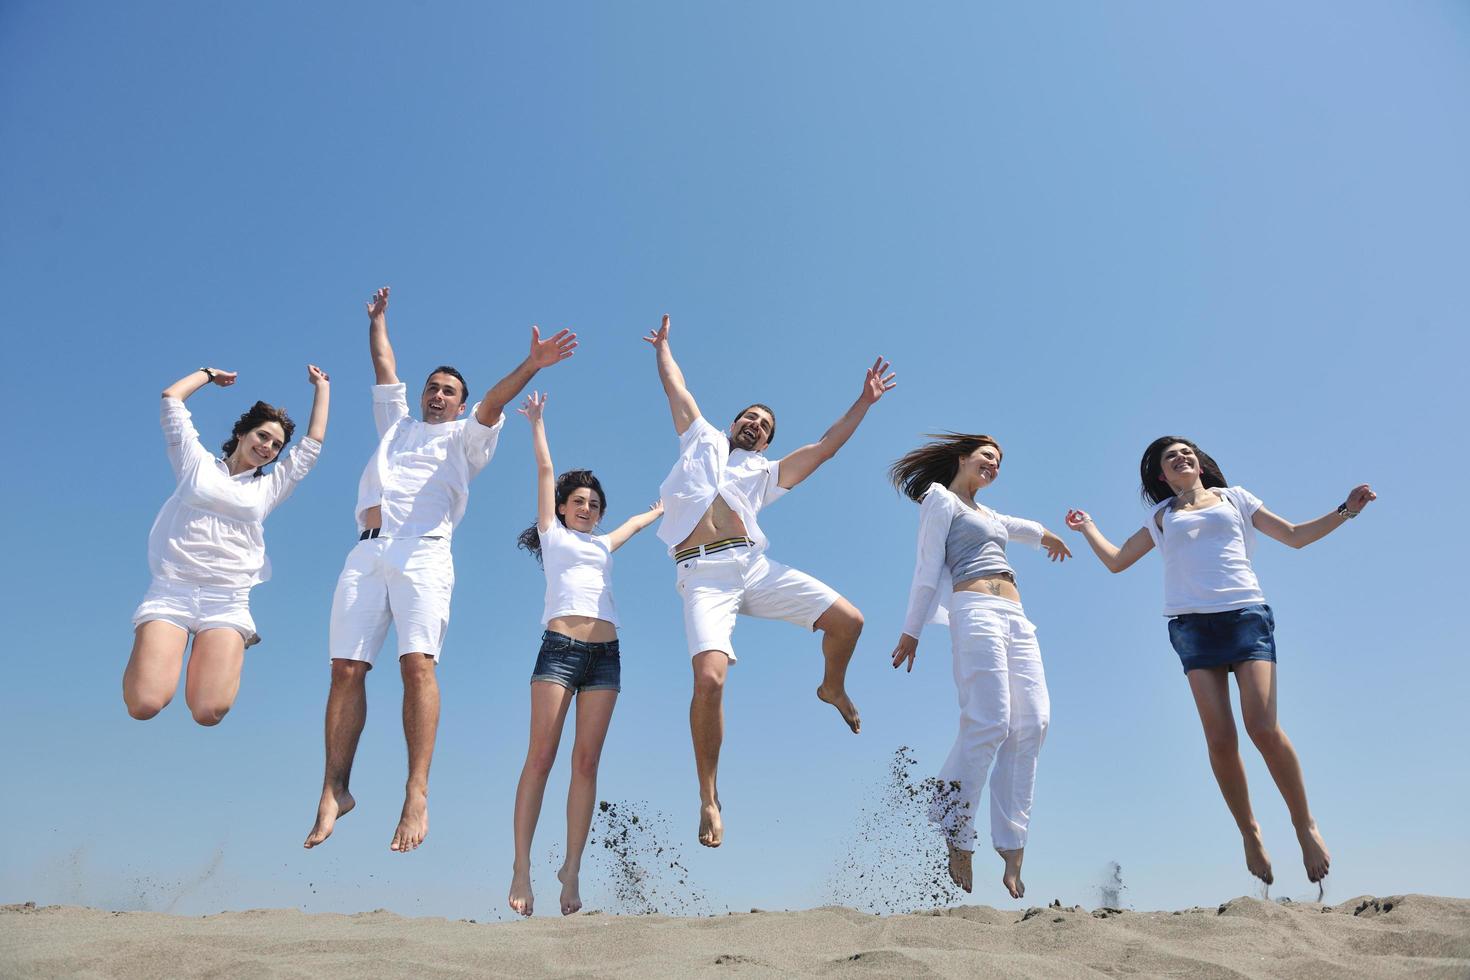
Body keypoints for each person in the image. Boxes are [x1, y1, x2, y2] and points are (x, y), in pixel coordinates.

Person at [304, 286, 576, 854]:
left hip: (425, 553)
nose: (436, 395)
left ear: (460, 404)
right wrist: (378, 319)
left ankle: (416, 792)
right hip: (367, 552)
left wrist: (532, 362)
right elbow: (384, 365)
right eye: (432, 387)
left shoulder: (467, 440)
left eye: (448, 391)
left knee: (416, 666)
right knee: (345, 670)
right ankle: (335, 788)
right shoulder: (396, 428)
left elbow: (495, 404)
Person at [1065, 435, 1376, 887]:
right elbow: (1116, 561)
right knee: (1220, 741)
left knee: (1263, 728)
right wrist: (1088, 527)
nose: (1180, 457)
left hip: (1245, 616)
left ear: (1200, 463)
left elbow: (1293, 536)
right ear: (1161, 476)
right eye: (1170, 457)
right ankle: (1250, 833)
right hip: (1192, 628)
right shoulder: (1161, 518)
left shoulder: (1236, 499)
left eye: (1186, 451)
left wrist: (1346, 511)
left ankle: (1305, 826)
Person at [643, 313, 896, 848]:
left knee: (849, 621)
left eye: (765, 425)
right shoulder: (700, 439)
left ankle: (832, 687)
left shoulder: (766, 474)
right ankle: (709, 796)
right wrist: (664, 346)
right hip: (704, 576)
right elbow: (676, 386)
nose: (756, 424)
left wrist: (865, 402)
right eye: (750, 417)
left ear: (766, 441)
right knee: (709, 681)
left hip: (752, 567)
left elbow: (826, 446)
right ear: (734, 423)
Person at [888, 433, 1070, 898]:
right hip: (975, 611)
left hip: (1016, 616)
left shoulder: (989, 514)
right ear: (962, 458)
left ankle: (1012, 847)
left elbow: (1018, 526)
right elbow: (927, 567)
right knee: (990, 721)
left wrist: (1047, 534)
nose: (994, 464)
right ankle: (956, 826)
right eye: (987, 456)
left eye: (1000, 461)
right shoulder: (940, 499)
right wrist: (911, 631)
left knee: (1032, 723)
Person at [506, 391, 663, 917]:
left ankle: (571, 871)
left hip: (606, 657)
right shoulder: (553, 536)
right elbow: (546, 467)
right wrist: (537, 423)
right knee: (542, 758)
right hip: (559, 651)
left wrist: (662, 508)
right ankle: (522, 867)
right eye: (580, 502)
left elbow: (638, 524)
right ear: (560, 508)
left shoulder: (602, 544)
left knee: (587, 763)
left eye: (595, 505)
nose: (588, 509)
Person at [123, 363, 330, 726]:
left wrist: (322, 388)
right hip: (173, 590)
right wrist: (206, 374)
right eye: (263, 436)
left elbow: (312, 445)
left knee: (208, 711)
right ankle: (155, 647)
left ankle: (235, 640)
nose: (268, 447)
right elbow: (172, 399)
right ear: (241, 433)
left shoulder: (268, 488)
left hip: (227, 598)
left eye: (277, 445)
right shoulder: (195, 463)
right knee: (145, 704)